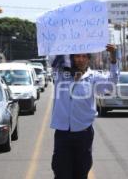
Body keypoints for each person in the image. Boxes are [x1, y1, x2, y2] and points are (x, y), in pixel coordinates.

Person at [49, 44, 119, 179]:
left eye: (84, 56)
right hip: (62, 134)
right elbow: (52, 58)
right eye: (77, 56)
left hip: (83, 134)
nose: (80, 59)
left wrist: (114, 58)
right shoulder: (60, 74)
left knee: (81, 173)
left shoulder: (93, 77)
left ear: (88, 59)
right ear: (72, 57)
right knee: (61, 172)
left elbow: (112, 83)